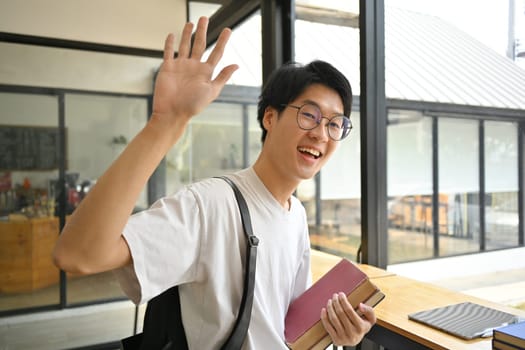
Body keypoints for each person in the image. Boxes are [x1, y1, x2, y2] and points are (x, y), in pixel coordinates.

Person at [53, 16, 376, 349]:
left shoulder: (295, 214)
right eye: (309, 114)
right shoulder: (210, 205)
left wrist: (338, 336)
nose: (321, 133)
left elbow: (287, 328)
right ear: (270, 117)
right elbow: (78, 254)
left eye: (336, 124)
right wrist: (165, 123)